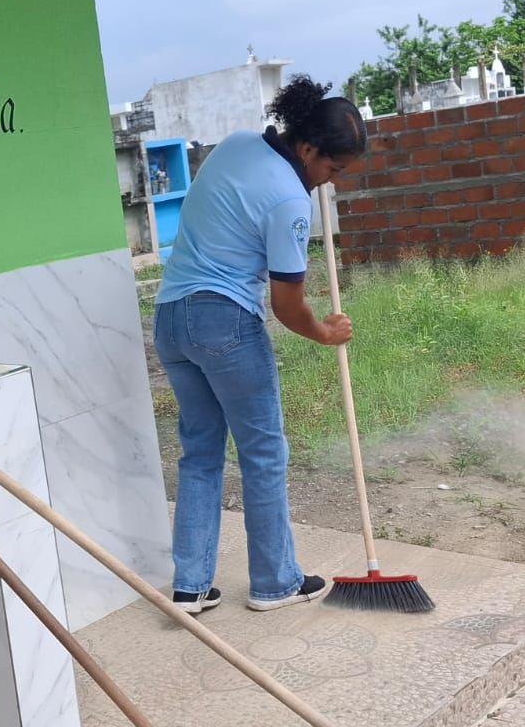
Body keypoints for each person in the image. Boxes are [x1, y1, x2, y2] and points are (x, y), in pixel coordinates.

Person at [152, 74, 367, 613]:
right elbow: (288, 306)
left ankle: (190, 586)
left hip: (171, 317)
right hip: (224, 321)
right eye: (333, 170)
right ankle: (276, 583)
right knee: (264, 453)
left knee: (201, 452)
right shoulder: (290, 201)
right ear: (308, 148)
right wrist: (326, 332)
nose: (330, 183)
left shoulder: (237, 143)